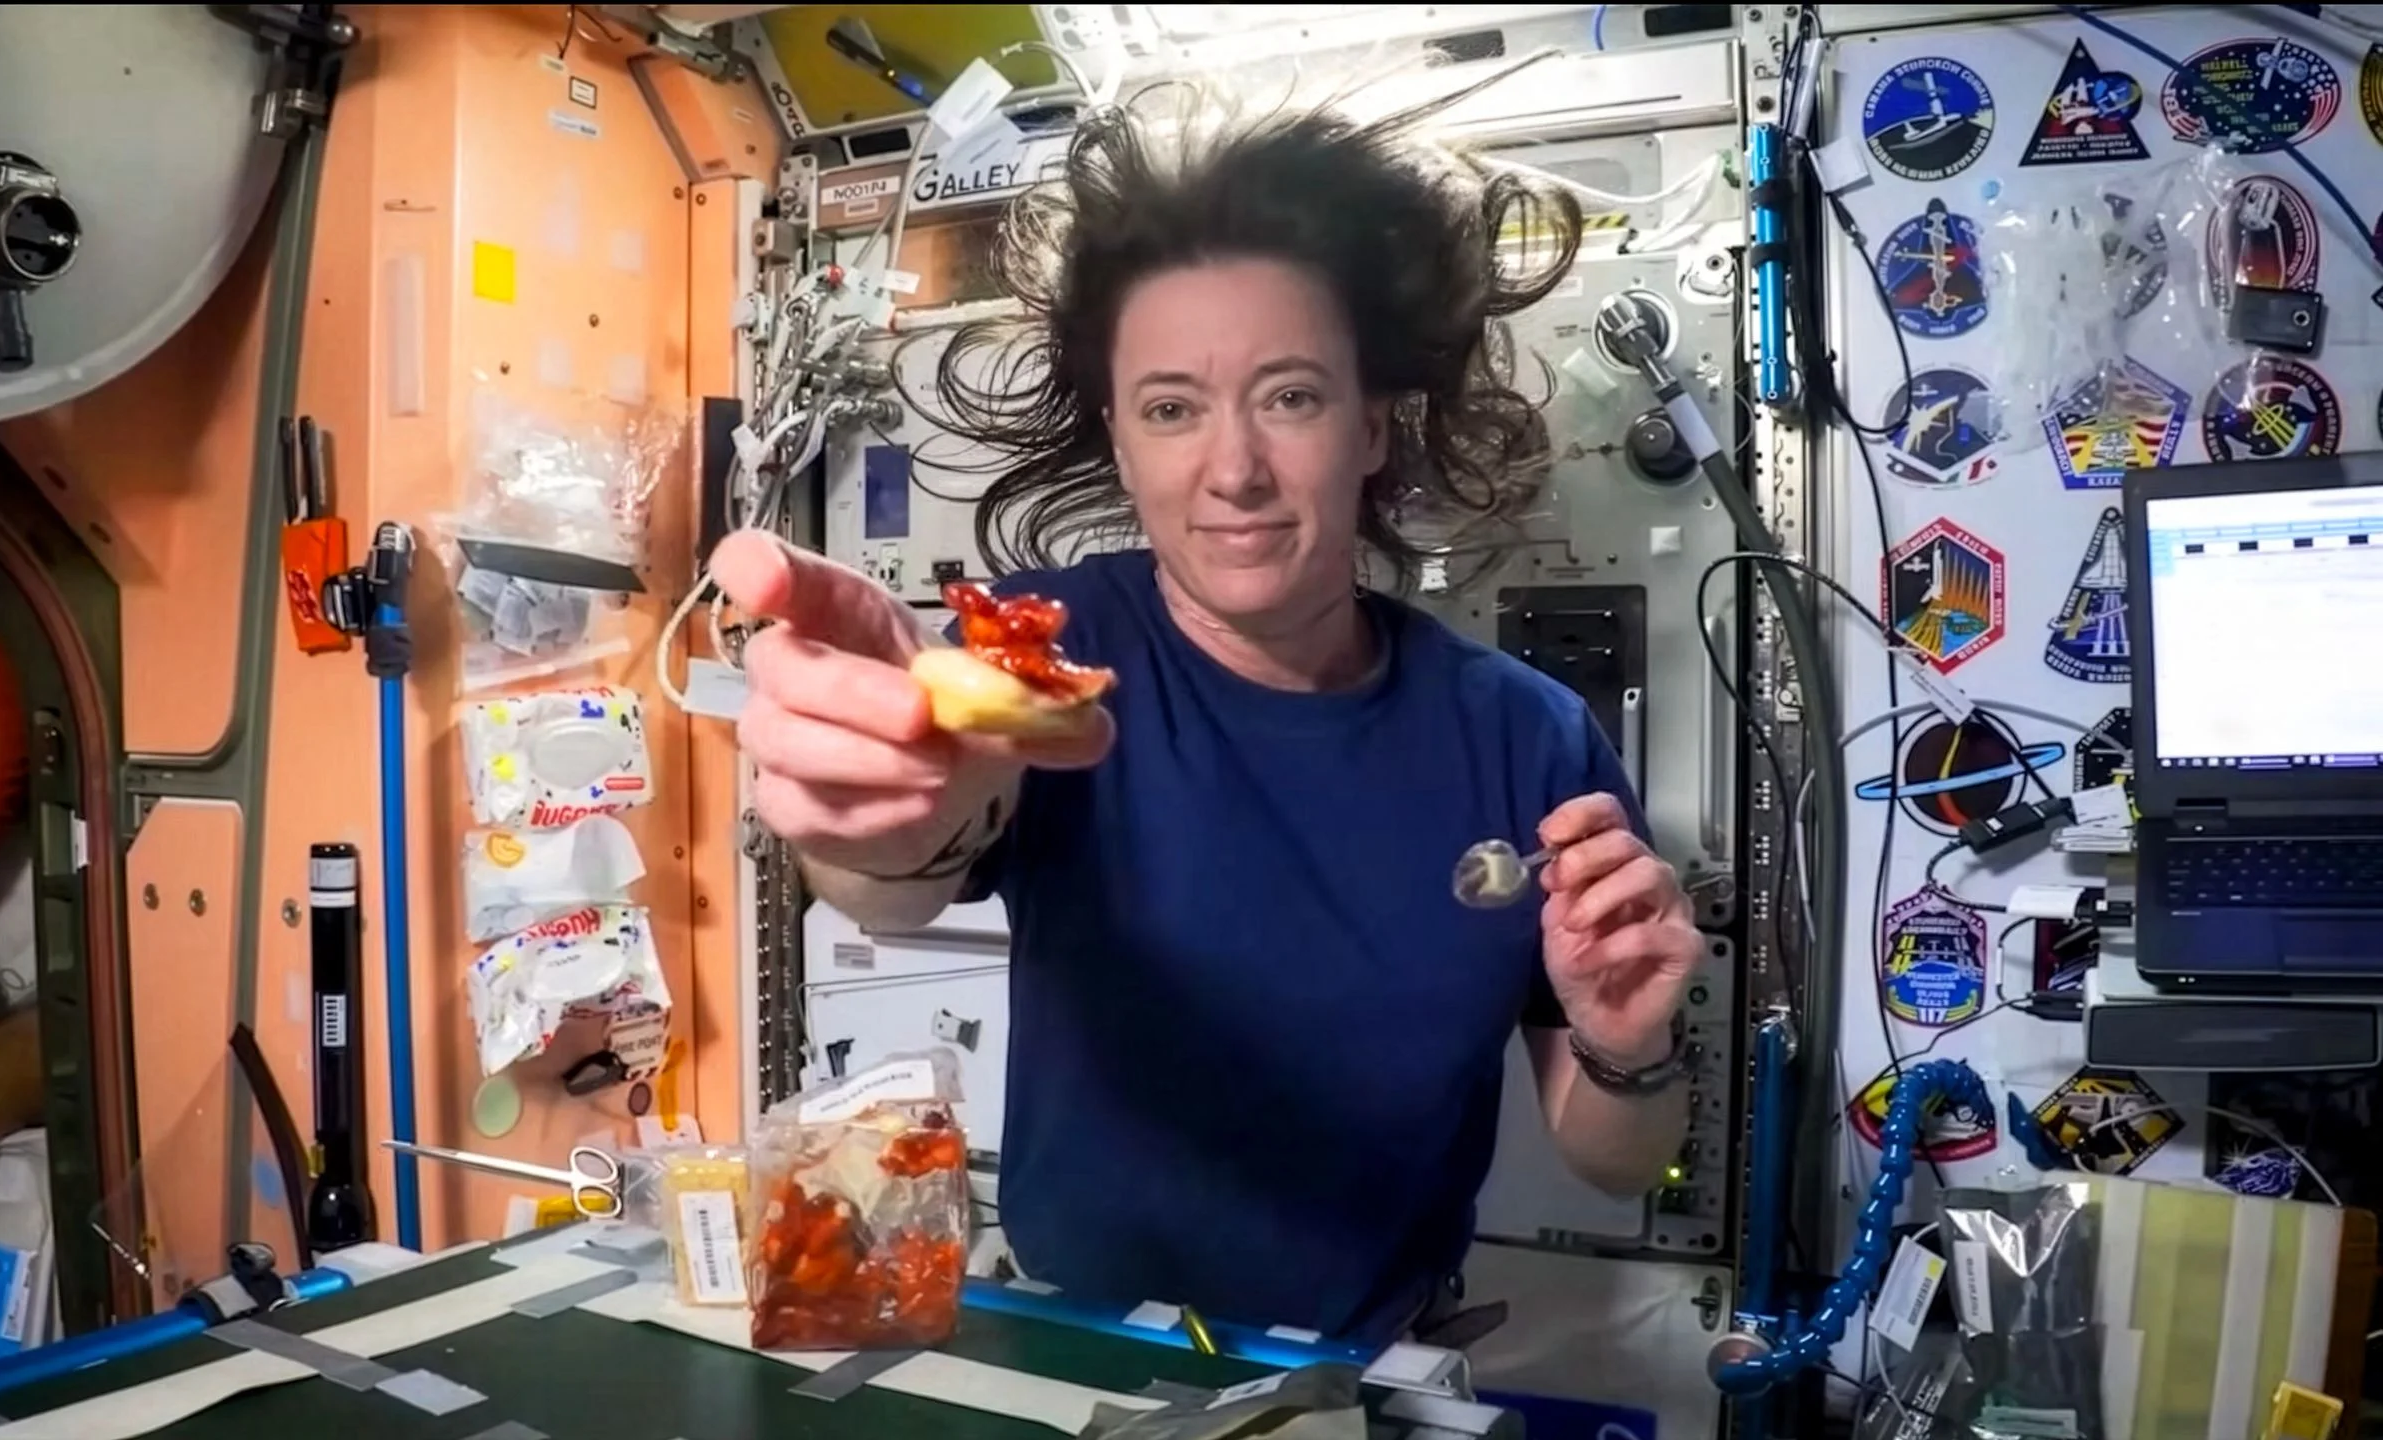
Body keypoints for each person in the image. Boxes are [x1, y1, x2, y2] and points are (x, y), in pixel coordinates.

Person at [711, 65, 1706, 1346]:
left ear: (1370, 429)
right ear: (1124, 445)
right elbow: (892, 872)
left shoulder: (1524, 734)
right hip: (1087, 1350)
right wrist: (873, 820)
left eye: (1289, 396)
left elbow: (1616, 1156)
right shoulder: (1055, 657)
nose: (1232, 470)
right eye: (1172, 409)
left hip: (1367, 1367)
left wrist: (1627, 1041)